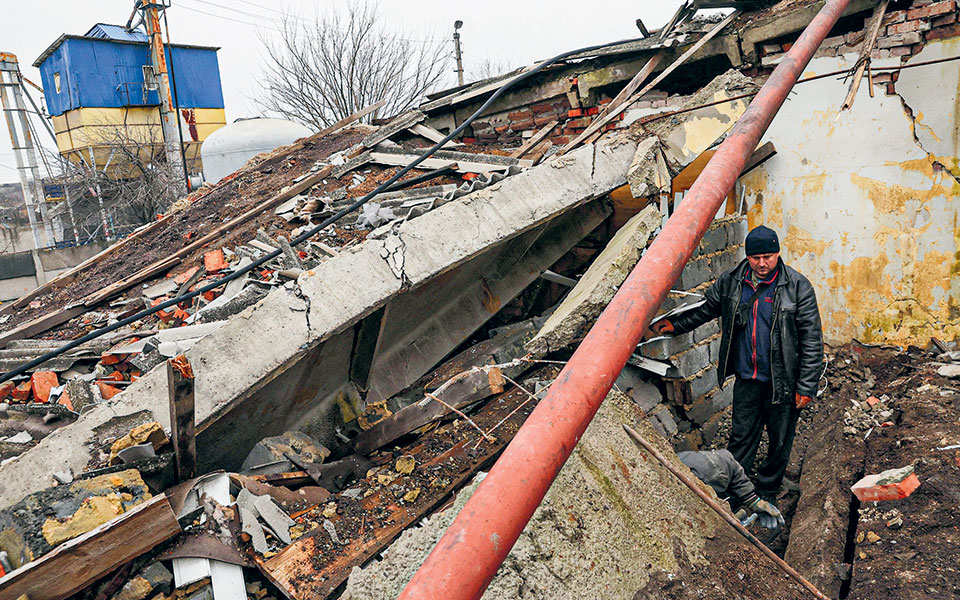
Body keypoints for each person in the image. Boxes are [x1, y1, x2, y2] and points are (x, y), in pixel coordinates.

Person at [652, 225, 823, 505]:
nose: (762, 263)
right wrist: (675, 325)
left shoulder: (797, 286)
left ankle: (768, 489)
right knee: (741, 437)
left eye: (768, 256)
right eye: (756, 258)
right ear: (748, 256)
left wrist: (807, 385)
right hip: (748, 378)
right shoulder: (732, 281)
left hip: (783, 381)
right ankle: (736, 491)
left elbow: (811, 338)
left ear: (779, 253)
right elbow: (707, 308)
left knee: (780, 441)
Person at [678, 449, 785, 529]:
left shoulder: (723, 461)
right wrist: (727, 526)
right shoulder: (683, 488)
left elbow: (736, 475)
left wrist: (755, 502)